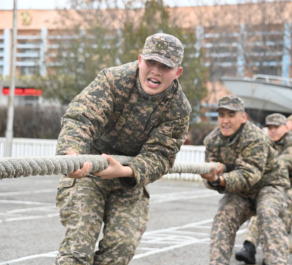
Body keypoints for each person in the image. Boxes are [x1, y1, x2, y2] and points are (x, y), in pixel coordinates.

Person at [54, 33, 191, 265]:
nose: (156, 71)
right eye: (151, 62)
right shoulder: (113, 80)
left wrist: (125, 171)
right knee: (78, 248)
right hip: (89, 172)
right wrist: (71, 155)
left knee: (120, 250)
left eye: (165, 66)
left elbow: (160, 155)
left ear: (177, 72)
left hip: (128, 181)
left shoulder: (178, 108)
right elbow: (81, 118)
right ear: (140, 60)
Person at [200, 96, 290, 265]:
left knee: (268, 213)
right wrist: (212, 178)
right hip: (241, 192)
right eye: (221, 115)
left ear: (243, 118)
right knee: (223, 216)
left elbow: (248, 175)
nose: (225, 121)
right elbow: (210, 177)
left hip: (269, 185)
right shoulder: (212, 141)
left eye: (231, 115)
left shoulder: (255, 138)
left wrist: (219, 178)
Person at [235, 113, 292, 264]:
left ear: (285, 128)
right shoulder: (264, 141)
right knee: (263, 202)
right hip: (276, 185)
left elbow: (283, 162)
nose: (273, 130)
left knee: (284, 199)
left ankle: (274, 251)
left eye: (277, 127)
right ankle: (249, 246)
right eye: (270, 127)